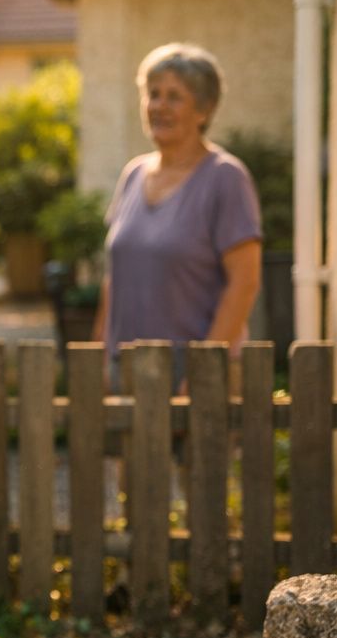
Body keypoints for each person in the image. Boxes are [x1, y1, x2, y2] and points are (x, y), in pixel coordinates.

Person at [93, 42, 263, 389]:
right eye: (153, 94)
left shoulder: (225, 178)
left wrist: (202, 371)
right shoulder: (133, 174)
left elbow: (244, 283)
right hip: (125, 367)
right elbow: (116, 276)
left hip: (194, 371)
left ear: (203, 110)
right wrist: (99, 352)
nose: (159, 106)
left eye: (174, 96)